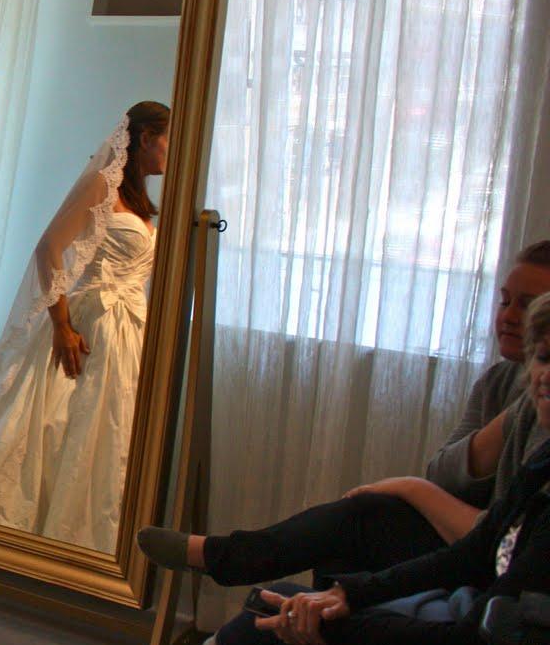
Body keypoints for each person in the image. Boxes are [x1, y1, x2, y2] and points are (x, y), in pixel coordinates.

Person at [72, 292, 550, 645]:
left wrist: (340, 622)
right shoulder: (538, 461)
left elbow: (486, 640)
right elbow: (475, 548)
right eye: (541, 358)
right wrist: (351, 593)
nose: (543, 377)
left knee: (289, 609)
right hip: (472, 620)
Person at [136, 240, 550, 586]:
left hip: (486, 562)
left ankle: (228, 557)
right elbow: (442, 471)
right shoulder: (498, 382)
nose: (509, 317)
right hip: (452, 534)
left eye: (527, 306)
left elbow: (503, 538)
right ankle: (280, 621)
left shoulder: (543, 405)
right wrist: (513, 413)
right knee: (327, 577)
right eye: (505, 301)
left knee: (361, 519)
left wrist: (410, 488)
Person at [0, 102, 170, 552]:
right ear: (145, 139)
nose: (171, 153)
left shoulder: (144, 206)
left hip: (126, 332)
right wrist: (61, 324)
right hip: (88, 323)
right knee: (35, 430)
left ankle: (79, 545)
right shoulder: (103, 185)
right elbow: (50, 248)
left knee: (98, 437)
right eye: (168, 141)